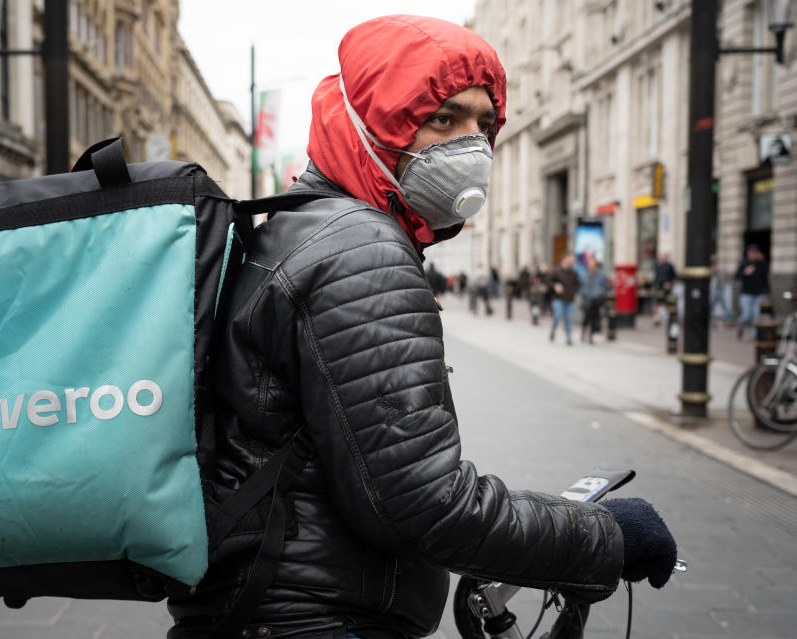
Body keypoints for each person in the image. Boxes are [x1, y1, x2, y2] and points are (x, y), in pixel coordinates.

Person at [169, 16, 677, 638]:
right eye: (443, 118)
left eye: (484, 125)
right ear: (371, 126)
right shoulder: (360, 250)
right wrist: (605, 537)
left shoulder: (296, 227)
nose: (473, 146)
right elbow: (420, 503)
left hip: (259, 606)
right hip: (315, 618)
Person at [735, 245, 770, 340]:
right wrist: (745, 273)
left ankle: (754, 336)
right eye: (751, 252)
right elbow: (737, 276)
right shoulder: (744, 263)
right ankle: (740, 327)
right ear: (748, 253)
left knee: (756, 316)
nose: (753, 254)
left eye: (755, 252)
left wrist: (767, 292)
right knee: (746, 315)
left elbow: (765, 278)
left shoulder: (761, 264)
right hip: (746, 294)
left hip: (759, 294)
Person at [549, 253, 580, 345]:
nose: (573, 260)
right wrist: (555, 286)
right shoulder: (556, 271)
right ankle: (553, 330)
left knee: (569, 318)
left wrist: (573, 292)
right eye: (571, 258)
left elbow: (577, 284)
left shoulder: (573, 273)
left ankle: (568, 338)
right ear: (565, 259)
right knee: (558, 315)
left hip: (570, 299)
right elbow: (549, 281)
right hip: (558, 298)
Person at [580, 258, 609, 344]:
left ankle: (591, 335)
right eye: (590, 265)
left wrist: (599, 294)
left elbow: (604, 287)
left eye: (593, 265)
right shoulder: (584, 275)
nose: (591, 267)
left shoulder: (600, 275)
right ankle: (584, 331)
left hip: (596, 300)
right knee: (586, 317)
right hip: (587, 300)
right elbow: (581, 287)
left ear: (596, 266)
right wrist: (584, 294)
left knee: (594, 318)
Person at [652, 252, 676, 326]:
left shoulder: (669, 266)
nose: (660, 259)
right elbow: (656, 276)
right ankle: (657, 318)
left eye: (662, 257)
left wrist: (669, 283)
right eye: (659, 257)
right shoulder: (657, 265)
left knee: (666, 301)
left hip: (667, 286)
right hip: (658, 285)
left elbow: (674, 276)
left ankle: (667, 316)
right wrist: (653, 286)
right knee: (657, 302)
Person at [709, 254, 731, 326]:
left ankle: (729, 320)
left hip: (718, 290)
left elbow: (720, 279)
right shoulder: (714, 268)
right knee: (711, 306)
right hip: (716, 290)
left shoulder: (718, 269)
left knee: (720, 305)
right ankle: (709, 319)